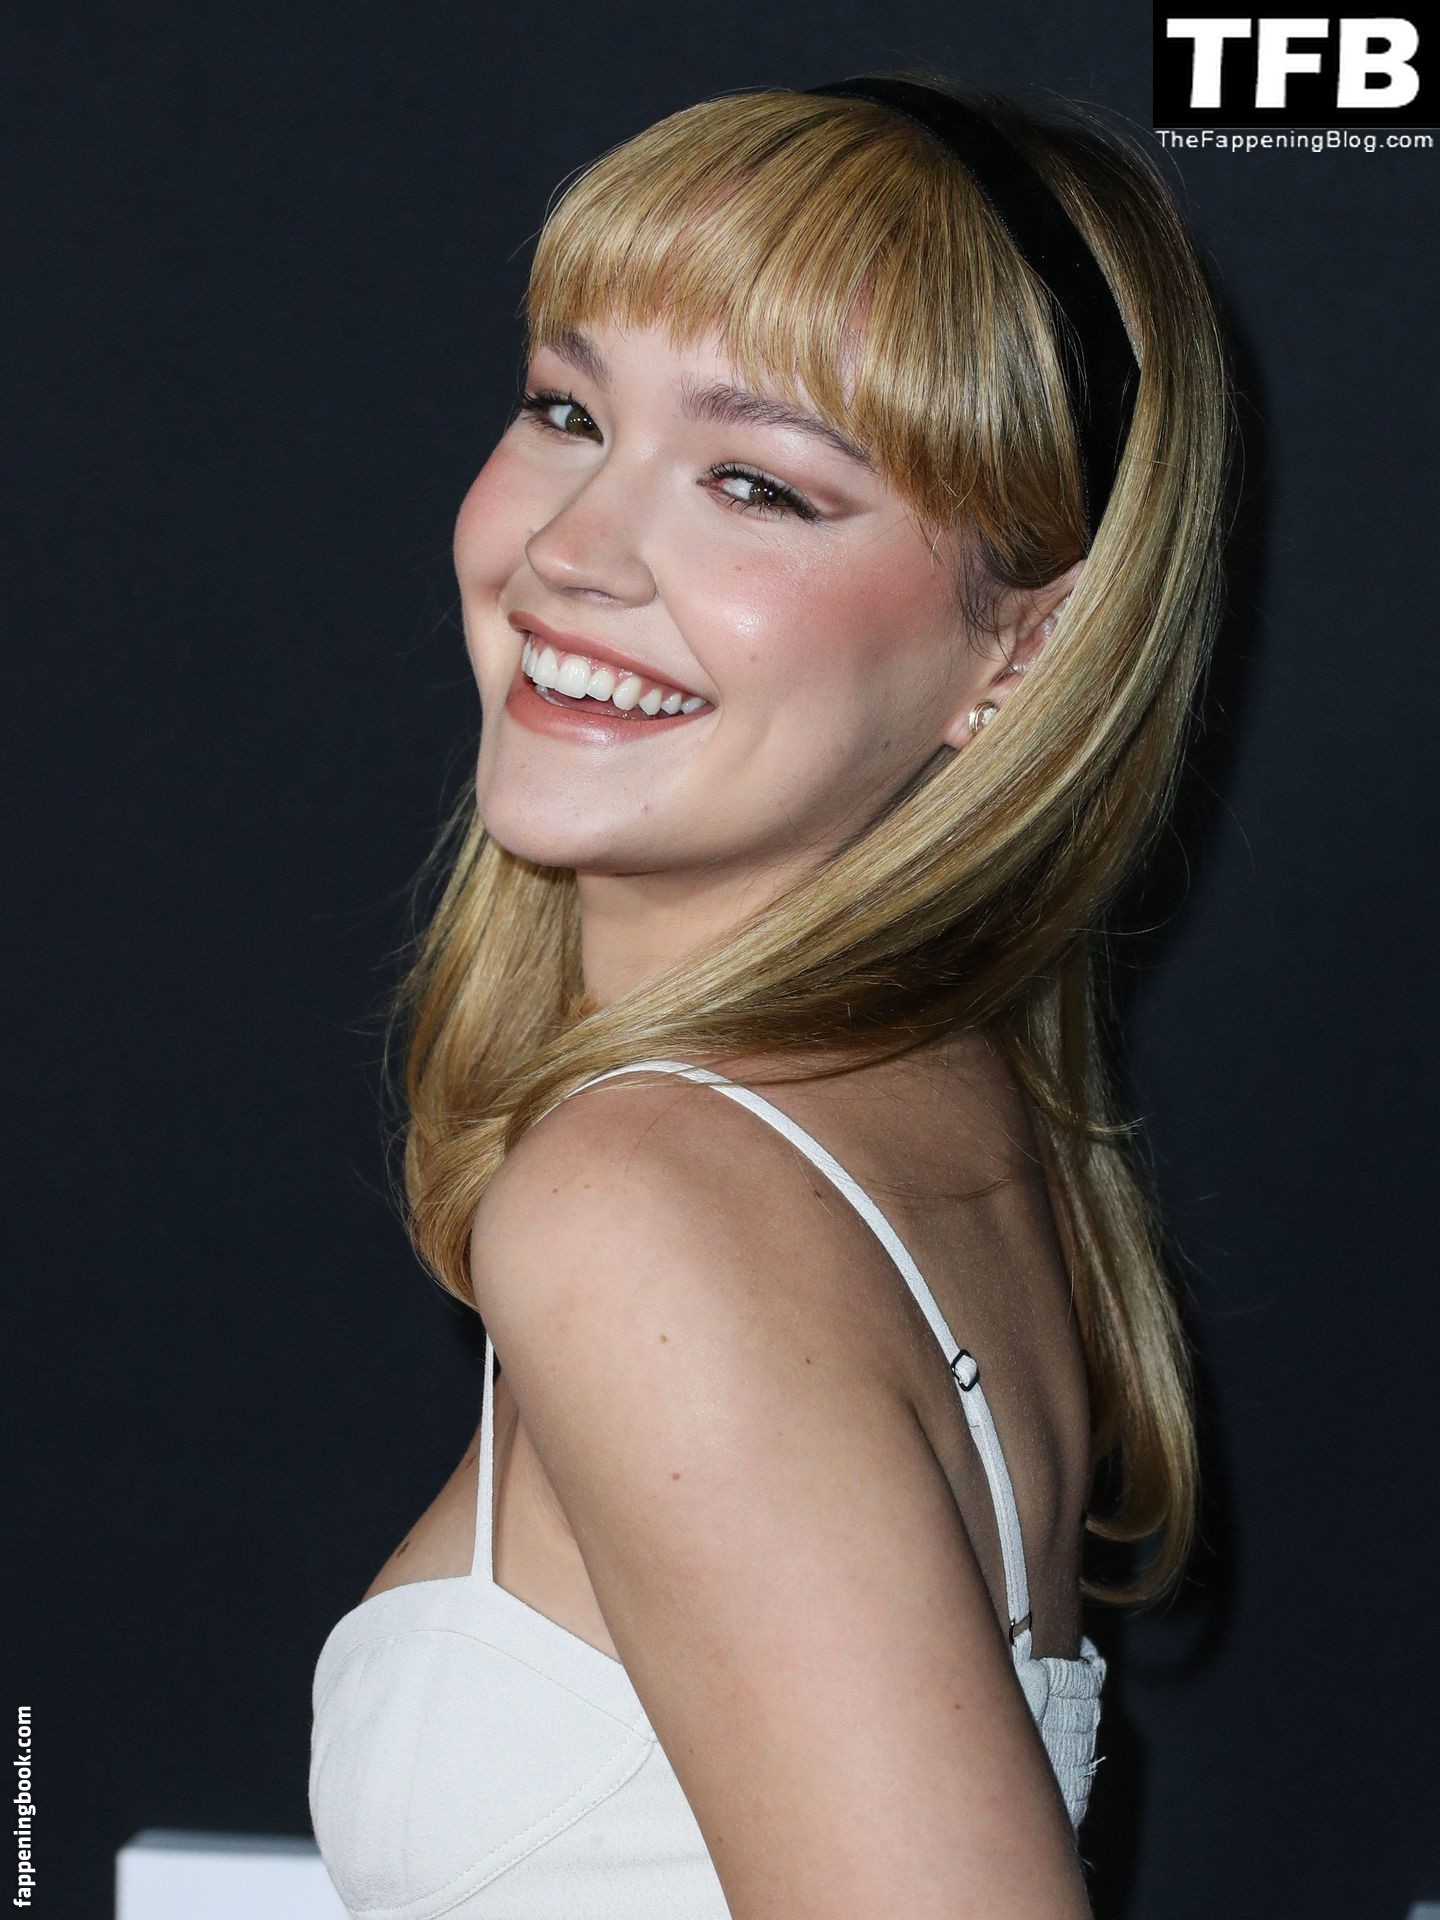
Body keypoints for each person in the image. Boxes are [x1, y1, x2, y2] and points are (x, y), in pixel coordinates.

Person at [309, 67, 1232, 1919]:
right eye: (567, 410)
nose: (571, 549)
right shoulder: (937, 1100)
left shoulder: (647, 1204)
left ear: (1022, 646)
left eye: (757, 482)